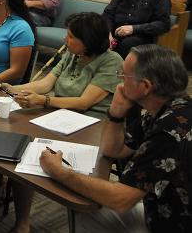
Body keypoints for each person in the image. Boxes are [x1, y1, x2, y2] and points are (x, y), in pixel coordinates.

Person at [38, 44, 191, 232]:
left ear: (145, 86)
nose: (119, 81)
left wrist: (58, 171)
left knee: (91, 206)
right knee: (87, 212)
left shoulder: (170, 130)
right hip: (161, 209)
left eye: (124, 75)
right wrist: (116, 113)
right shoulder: (164, 108)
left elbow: (120, 199)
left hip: (175, 224)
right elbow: (114, 150)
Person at [0, 12, 123, 233]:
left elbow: (84, 102)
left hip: (91, 125)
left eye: (71, 36)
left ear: (88, 41)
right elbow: (46, 83)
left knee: (33, 150)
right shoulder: (72, 54)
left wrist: (43, 100)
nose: (65, 40)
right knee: (22, 146)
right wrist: (9, 88)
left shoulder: (112, 61)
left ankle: (35, 217)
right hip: (58, 115)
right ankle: (22, 222)